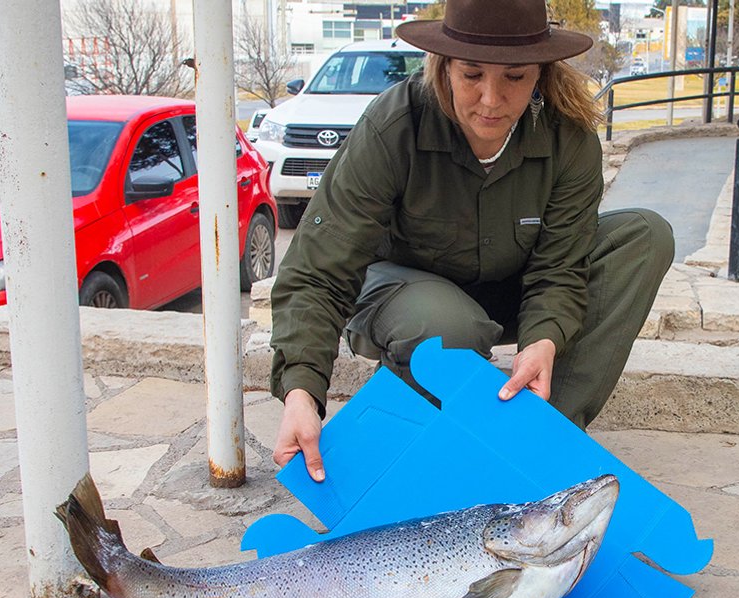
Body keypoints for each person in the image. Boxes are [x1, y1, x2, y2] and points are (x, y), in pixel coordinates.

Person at [269, 0, 674, 482]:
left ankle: (537, 442)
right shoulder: (393, 125)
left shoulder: (570, 137)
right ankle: (423, 440)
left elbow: (561, 267)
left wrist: (545, 336)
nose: (490, 99)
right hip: (402, 294)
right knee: (447, 324)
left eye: (515, 78)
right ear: (444, 68)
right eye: (472, 75)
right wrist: (301, 391)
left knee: (644, 236)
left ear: (541, 75)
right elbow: (320, 268)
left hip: (508, 288)